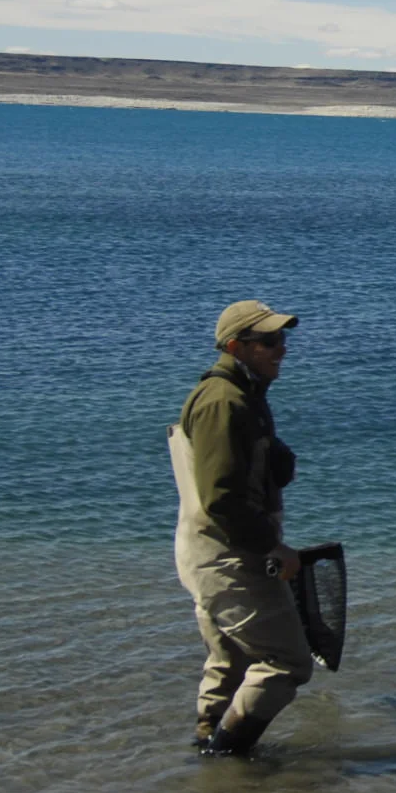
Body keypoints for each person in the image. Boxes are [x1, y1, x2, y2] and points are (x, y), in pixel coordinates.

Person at [172, 299, 311, 757]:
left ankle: (211, 763)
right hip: (227, 555)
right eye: (268, 341)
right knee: (287, 661)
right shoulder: (224, 402)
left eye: (282, 339)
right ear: (236, 346)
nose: (281, 349)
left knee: (231, 660)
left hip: (211, 552)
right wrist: (274, 547)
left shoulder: (242, 396)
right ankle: (227, 753)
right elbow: (223, 499)